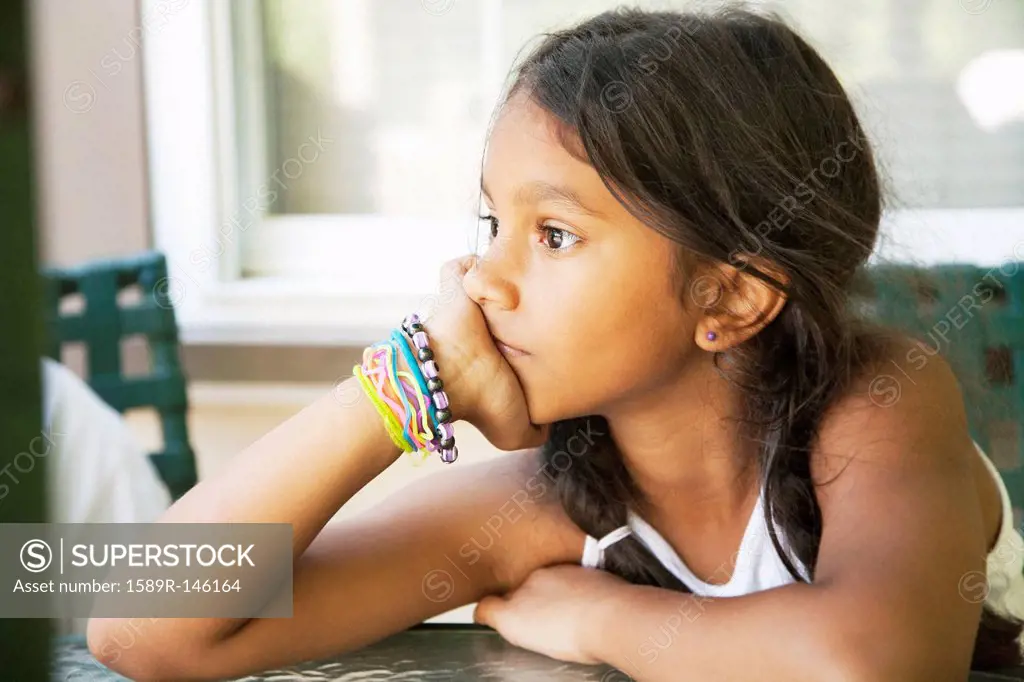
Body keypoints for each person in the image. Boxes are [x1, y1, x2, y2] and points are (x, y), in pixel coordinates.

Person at [87, 5, 1024, 680]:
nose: (479, 280)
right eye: (491, 221)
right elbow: (139, 626)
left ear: (732, 296)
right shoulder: (545, 504)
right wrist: (395, 390)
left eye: (556, 235)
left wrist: (603, 616)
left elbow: (866, 665)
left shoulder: (880, 402)